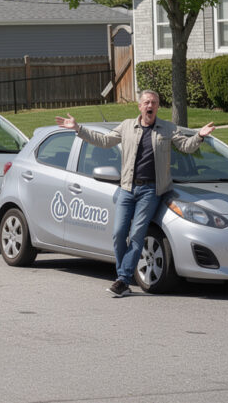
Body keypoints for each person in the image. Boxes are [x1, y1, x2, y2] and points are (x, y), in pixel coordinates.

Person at [55, 90, 215, 297]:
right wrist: (78, 129)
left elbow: (185, 146)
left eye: (154, 103)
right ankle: (123, 277)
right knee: (119, 233)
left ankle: (122, 279)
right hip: (127, 188)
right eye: (147, 102)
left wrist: (199, 136)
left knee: (137, 234)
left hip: (151, 190)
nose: (150, 106)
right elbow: (104, 141)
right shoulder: (127, 126)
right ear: (140, 106)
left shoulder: (167, 128)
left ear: (158, 107)